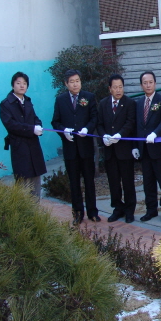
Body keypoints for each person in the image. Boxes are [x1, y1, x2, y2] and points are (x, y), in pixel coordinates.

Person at [51, 69, 100, 225]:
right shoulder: (60, 100)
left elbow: (94, 117)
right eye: (72, 82)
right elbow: (55, 122)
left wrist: (87, 129)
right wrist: (63, 132)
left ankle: (93, 212)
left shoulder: (89, 97)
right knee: (74, 182)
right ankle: (77, 213)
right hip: (70, 148)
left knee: (89, 181)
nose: (75, 84)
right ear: (66, 84)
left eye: (77, 81)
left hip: (86, 147)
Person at [132, 71, 161, 223]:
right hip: (144, 150)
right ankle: (151, 210)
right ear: (141, 85)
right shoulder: (138, 103)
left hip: (159, 149)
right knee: (148, 183)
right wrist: (135, 146)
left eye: (150, 82)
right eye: (145, 83)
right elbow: (136, 126)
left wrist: (155, 133)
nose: (148, 85)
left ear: (155, 83)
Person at [0, 71, 47, 198]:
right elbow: (10, 125)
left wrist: (38, 126)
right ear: (13, 85)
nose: (22, 86)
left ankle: (35, 209)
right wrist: (31, 129)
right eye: (18, 83)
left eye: (24, 83)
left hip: (33, 145)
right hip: (20, 146)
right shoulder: (6, 104)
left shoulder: (28, 101)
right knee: (23, 182)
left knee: (36, 180)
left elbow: (35, 118)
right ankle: (24, 210)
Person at [97, 74, 137, 223]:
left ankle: (129, 210)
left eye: (120, 87)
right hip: (110, 151)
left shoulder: (129, 103)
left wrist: (120, 134)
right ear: (110, 89)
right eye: (115, 87)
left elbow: (130, 123)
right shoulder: (103, 104)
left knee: (128, 182)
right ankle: (118, 208)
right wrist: (103, 136)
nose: (118, 90)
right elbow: (99, 124)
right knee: (113, 182)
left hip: (124, 150)